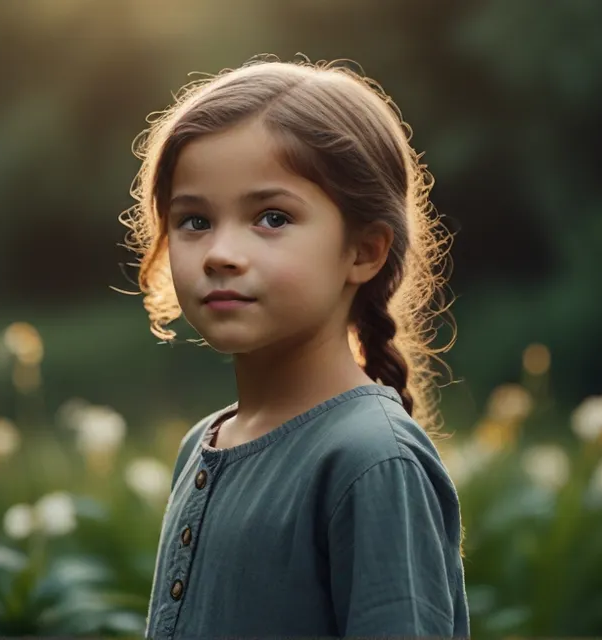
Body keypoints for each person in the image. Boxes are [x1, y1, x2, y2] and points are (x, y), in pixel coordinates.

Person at [118, 56, 468, 638]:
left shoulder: (371, 458)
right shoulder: (199, 446)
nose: (219, 253)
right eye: (195, 220)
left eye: (272, 217)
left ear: (364, 251)